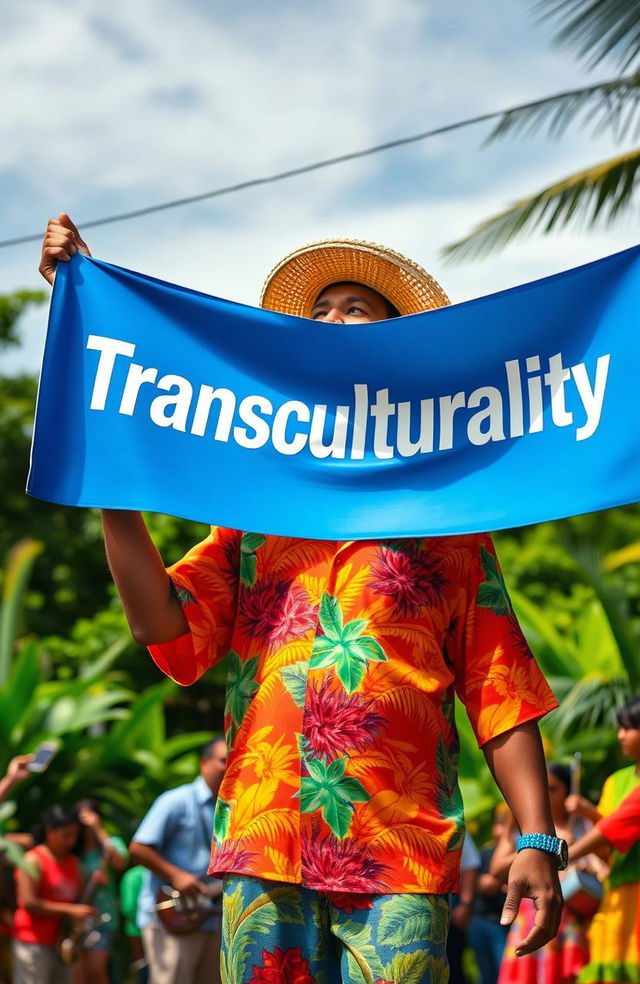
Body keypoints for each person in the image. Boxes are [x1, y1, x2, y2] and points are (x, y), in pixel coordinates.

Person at [39, 215, 565, 984]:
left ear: (398, 348)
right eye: (319, 309)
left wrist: (537, 840)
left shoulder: (449, 518)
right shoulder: (256, 512)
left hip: (402, 852)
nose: (332, 318)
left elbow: (501, 687)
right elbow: (165, 628)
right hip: (263, 846)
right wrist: (116, 492)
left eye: (357, 307)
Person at [129, 736, 227, 984]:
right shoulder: (176, 801)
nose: (229, 767)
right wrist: (176, 875)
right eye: (223, 760)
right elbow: (138, 848)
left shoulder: (229, 807)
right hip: (172, 915)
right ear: (204, 763)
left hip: (209, 915)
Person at [493, 765, 590, 984]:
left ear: (568, 791)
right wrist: (537, 848)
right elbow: (496, 868)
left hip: (573, 914)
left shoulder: (581, 824)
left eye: (553, 788)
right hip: (529, 914)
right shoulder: (522, 826)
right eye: (541, 788)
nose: (545, 795)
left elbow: (609, 852)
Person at [570, 696, 640, 984]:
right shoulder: (615, 781)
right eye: (619, 727)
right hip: (615, 892)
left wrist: (564, 851)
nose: (620, 735)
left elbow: (617, 827)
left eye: (629, 727)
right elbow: (609, 840)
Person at [12, 805, 96, 984]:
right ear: (50, 831)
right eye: (66, 835)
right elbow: (28, 902)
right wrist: (70, 910)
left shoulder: (73, 863)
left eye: (74, 836)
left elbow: (77, 899)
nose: (71, 842)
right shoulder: (33, 859)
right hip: (34, 941)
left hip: (61, 943)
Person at [72, 798, 128, 984]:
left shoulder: (111, 843)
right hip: (75, 918)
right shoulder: (73, 849)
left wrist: (98, 829)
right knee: (78, 974)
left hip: (104, 916)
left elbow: (120, 863)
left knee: (96, 971)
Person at [467, 805, 510, 984]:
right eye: (499, 823)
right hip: (480, 919)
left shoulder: (518, 853)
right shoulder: (486, 852)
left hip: (501, 922)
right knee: (485, 974)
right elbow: (481, 883)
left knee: (502, 972)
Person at [447, 831, 481, 984]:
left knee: (452, 963)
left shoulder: (453, 824)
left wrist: (465, 904)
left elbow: (470, 865)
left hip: (450, 903)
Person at [119, 865, 149, 984]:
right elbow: (129, 907)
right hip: (138, 930)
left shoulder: (131, 874)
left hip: (138, 928)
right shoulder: (135, 875)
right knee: (143, 966)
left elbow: (128, 907)